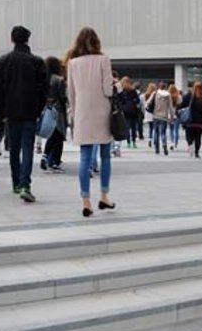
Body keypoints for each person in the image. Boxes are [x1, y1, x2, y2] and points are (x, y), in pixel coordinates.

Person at [65, 27, 115, 217]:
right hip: (102, 113)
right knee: (106, 156)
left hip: (82, 114)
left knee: (85, 158)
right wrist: (116, 85)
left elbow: (71, 93)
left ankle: (86, 201)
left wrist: (75, 113)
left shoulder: (73, 63)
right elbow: (108, 90)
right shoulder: (103, 60)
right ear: (97, 42)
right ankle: (104, 196)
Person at [0, 25, 46, 203]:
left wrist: (2, 110)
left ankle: (16, 182)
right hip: (30, 111)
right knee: (27, 148)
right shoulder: (37, 62)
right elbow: (43, 90)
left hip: (11, 112)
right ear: (27, 40)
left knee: (14, 148)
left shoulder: (4, 60)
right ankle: (26, 184)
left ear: (12, 39)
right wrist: (39, 109)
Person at [40, 56, 68, 172]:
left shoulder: (43, 79)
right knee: (59, 136)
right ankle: (54, 162)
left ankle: (46, 157)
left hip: (46, 109)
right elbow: (63, 97)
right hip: (58, 111)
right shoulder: (59, 79)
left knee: (52, 135)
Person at [180, 82, 202, 158]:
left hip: (190, 121)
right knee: (198, 137)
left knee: (189, 135)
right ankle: (197, 152)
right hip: (201, 122)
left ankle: (190, 145)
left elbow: (181, 106)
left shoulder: (188, 97)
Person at [147, 82, 174, 155]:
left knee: (156, 132)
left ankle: (157, 148)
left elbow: (148, 102)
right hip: (164, 116)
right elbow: (171, 107)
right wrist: (172, 116)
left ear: (159, 86)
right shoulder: (168, 95)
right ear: (165, 87)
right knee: (163, 133)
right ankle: (164, 145)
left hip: (156, 115)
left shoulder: (155, 93)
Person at [120, 77, 140, 149]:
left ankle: (128, 142)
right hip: (133, 110)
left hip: (125, 110)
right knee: (133, 127)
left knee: (127, 127)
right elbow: (138, 100)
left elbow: (120, 101)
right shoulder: (133, 90)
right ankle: (134, 142)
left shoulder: (122, 91)